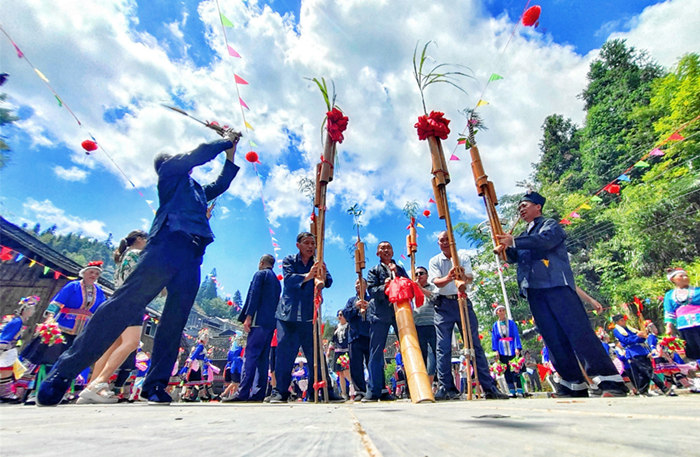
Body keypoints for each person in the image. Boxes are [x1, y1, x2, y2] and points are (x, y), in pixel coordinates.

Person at [38, 131, 241, 406]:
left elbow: (221, 183)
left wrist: (231, 150)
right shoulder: (170, 173)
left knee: (176, 319)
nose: (186, 162)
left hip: (192, 253)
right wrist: (224, 140)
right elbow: (197, 154)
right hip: (166, 246)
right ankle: (62, 375)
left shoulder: (196, 191)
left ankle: (155, 385)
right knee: (123, 305)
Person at [496, 191, 628, 397]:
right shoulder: (523, 235)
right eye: (519, 207)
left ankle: (609, 381)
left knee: (578, 332)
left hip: (556, 285)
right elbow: (514, 256)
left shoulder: (549, 225)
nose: (521, 209)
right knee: (552, 337)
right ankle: (572, 383)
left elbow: (545, 242)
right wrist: (505, 247)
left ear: (537, 207)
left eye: (525, 205)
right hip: (534, 290)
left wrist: (513, 242)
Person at [429, 231, 508, 400]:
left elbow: (469, 279)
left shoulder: (462, 257)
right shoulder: (434, 261)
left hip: (462, 302)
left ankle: (488, 386)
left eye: (447, 240)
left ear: (452, 242)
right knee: (442, 347)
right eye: (441, 240)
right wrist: (450, 277)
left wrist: (462, 276)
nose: (444, 243)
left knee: (474, 344)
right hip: (443, 305)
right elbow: (436, 282)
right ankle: (446, 387)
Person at [268, 232, 340, 403]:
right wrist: (309, 275)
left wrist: (320, 272)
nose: (310, 246)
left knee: (317, 356)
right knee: (285, 355)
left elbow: (328, 281)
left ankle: (326, 391)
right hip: (288, 317)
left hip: (310, 318)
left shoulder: (318, 261)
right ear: (298, 245)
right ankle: (280, 392)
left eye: (312, 243)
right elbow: (290, 281)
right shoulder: (289, 260)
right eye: (306, 243)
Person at [78, 230, 149, 404]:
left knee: (114, 344)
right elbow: (146, 275)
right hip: (132, 300)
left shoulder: (125, 255)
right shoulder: (136, 254)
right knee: (131, 343)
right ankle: (100, 382)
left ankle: (91, 386)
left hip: (118, 300)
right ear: (139, 240)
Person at [22, 262, 107, 370]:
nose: (93, 275)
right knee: (44, 353)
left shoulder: (99, 292)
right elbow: (57, 303)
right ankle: (26, 377)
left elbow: (101, 310)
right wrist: (50, 318)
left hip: (82, 332)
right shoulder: (73, 286)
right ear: (84, 273)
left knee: (68, 359)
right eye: (91, 272)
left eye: (96, 274)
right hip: (63, 327)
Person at [226, 254, 281, 402]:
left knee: (250, 356)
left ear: (261, 263)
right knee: (263, 359)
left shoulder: (260, 274)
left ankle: (242, 392)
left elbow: (254, 295)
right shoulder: (276, 282)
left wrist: (248, 316)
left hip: (258, 321)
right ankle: (258, 393)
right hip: (270, 323)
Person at [363, 241, 407, 402]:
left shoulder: (400, 269)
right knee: (375, 353)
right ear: (377, 253)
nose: (386, 250)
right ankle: (375, 390)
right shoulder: (373, 271)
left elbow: (408, 286)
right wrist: (385, 286)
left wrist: (399, 276)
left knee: (408, 348)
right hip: (379, 314)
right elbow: (372, 291)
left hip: (399, 313)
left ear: (393, 251)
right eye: (382, 248)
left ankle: (411, 388)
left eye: (389, 247)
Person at [612, 314, 673, 396]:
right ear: (617, 322)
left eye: (624, 320)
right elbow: (626, 340)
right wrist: (637, 337)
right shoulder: (617, 330)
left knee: (643, 373)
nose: (624, 322)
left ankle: (642, 390)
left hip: (642, 350)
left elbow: (642, 338)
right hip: (633, 352)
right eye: (621, 320)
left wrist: (640, 336)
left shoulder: (629, 329)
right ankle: (664, 388)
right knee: (648, 371)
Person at [0, 296, 38, 402]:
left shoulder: (18, 321)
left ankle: (6, 393)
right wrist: (3, 349)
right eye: (31, 310)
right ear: (26, 310)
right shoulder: (17, 322)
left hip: (9, 349)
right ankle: (5, 394)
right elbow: (6, 337)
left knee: (8, 371)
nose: (33, 312)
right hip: (6, 349)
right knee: (6, 371)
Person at [342, 278, 370, 400]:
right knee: (356, 365)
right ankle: (360, 391)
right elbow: (346, 315)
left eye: (361, 283)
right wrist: (355, 307)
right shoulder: (351, 301)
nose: (358, 285)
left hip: (369, 336)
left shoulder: (371, 299)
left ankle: (377, 389)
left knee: (373, 363)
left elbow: (377, 313)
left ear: (366, 285)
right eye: (356, 283)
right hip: (354, 336)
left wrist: (369, 307)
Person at [663, 268, 700, 361]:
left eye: (686, 275)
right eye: (681, 276)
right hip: (684, 325)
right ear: (673, 279)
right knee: (693, 348)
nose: (685, 277)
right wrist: (669, 327)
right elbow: (669, 312)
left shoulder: (697, 291)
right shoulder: (669, 295)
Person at [491, 304, 524, 397]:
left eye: (503, 310)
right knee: (506, 370)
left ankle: (520, 389)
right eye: (499, 311)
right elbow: (494, 339)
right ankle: (511, 390)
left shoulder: (511, 323)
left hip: (512, 347)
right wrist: (496, 351)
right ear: (497, 313)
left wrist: (517, 347)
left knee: (515, 369)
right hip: (502, 349)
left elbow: (516, 335)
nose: (501, 312)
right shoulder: (495, 325)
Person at [413, 266, 437, 386]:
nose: (419, 276)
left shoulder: (433, 287)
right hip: (418, 327)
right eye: (416, 274)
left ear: (427, 275)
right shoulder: (412, 290)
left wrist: (421, 289)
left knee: (434, 355)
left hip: (433, 325)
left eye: (421, 273)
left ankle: (433, 383)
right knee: (421, 356)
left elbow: (435, 298)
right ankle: (423, 385)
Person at [330, 310, 351, 400]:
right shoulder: (336, 327)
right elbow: (333, 340)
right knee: (340, 374)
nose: (339, 317)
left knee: (347, 372)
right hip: (338, 352)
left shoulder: (349, 326)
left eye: (341, 315)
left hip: (346, 351)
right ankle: (344, 394)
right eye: (338, 315)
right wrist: (328, 350)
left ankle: (354, 389)